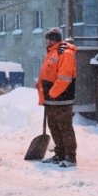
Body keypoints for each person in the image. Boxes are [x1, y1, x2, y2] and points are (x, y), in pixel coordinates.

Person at [37, 28, 78, 167]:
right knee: (54, 127)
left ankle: (70, 157)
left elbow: (64, 78)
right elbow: (48, 73)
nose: (46, 42)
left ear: (53, 39)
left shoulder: (65, 54)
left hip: (62, 98)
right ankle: (60, 154)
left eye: (47, 39)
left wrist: (53, 93)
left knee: (65, 127)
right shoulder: (51, 52)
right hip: (51, 99)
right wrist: (41, 87)